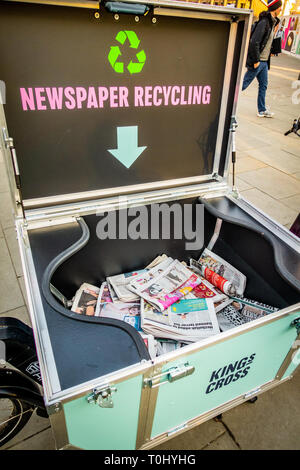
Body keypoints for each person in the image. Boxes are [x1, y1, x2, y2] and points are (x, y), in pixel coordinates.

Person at [242, 0, 282, 118]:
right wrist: (255, 61)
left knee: (263, 85)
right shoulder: (264, 22)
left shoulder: (273, 23)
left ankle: (261, 110)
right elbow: (254, 41)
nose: (281, 9)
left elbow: (268, 41)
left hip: (264, 62)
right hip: (258, 61)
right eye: (280, 7)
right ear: (275, 8)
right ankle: (223, 100)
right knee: (242, 85)